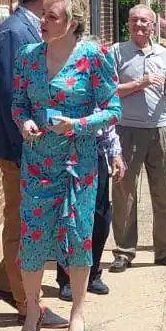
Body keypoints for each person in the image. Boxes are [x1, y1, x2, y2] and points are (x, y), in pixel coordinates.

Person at [12, 0, 121, 331]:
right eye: (42, 15)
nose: (42, 22)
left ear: (73, 23)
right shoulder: (28, 57)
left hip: (80, 163)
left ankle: (77, 313)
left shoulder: (95, 57)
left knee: (76, 236)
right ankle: (32, 313)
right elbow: (18, 103)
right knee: (33, 238)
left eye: (51, 17)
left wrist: (77, 123)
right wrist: (24, 121)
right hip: (38, 162)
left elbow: (112, 109)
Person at [0, 0, 67, 326]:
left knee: (28, 218)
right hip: (19, 146)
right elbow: (8, 97)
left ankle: (6, 281)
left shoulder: (31, 30)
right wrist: (26, 146)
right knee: (21, 222)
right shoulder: (14, 34)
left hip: (30, 144)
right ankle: (26, 302)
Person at [108, 5, 166, 273]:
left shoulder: (165, 55)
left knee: (162, 192)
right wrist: (139, 84)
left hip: (159, 130)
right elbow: (109, 92)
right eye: (134, 21)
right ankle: (123, 251)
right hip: (126, 129)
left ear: (153, 26)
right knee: (124, 193)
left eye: (144, 21)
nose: (139, 25)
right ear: (128, 24)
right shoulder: (117, 53)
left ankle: (164, 250)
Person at [56, 119, 124, 299]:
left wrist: (115, 154)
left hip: (96, 153)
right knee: (70, 217)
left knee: (101, 218)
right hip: (68, 153)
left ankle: (92, 274)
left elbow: (108, 123)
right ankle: (66, 278)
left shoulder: (99, 91)